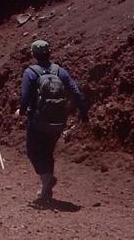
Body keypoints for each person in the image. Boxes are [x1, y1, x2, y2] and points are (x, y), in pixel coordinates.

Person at [18, 40, 88, 202]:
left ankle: (46, 177)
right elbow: (76, 92)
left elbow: (25, 97)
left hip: (37, 122)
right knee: (48, 152)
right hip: (58, 122)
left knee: (33, 150)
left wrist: (21, 111)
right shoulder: (60, 72)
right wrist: (83, 111)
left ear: (33, 54)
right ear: (49, 52)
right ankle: (46, 191)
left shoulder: (30, 73)